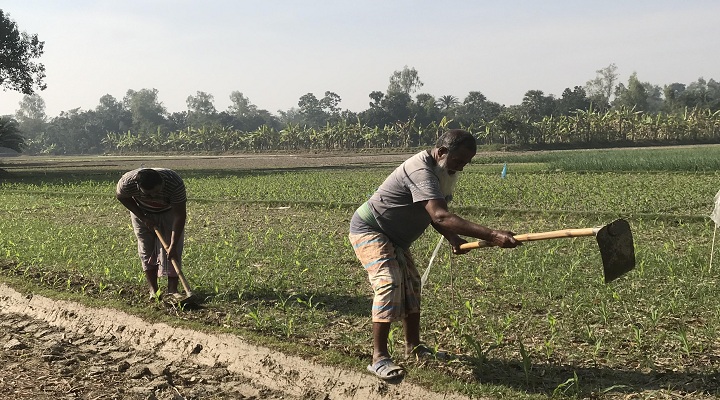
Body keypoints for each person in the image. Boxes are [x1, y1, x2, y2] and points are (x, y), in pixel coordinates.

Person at [348, 129, 521, 381]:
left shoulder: (444, 172)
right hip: (372, 229)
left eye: (466, 163)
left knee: (412, 284)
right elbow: (440, 215)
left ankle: (413, 347)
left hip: (395, 237)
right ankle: (379, 358)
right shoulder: (421, 170)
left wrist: (452, 237)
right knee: (388, 281)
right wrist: (491, 235)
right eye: (458, 161)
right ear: (441, 152)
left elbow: (434, 215)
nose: (461, 168)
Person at [116, 167, 187, 300]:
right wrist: (143, 217)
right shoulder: (127, 182)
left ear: (161, 183)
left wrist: (173, 244)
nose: (153, 197)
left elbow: (180, 215)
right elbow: (121, 196)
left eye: (156, 192)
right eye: (148, 194)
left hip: (168, 211)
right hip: (142, 212)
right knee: (146, 248)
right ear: (138, 187)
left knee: (174, 250)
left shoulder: (174, 182)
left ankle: (173, 290)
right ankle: (154, 290)